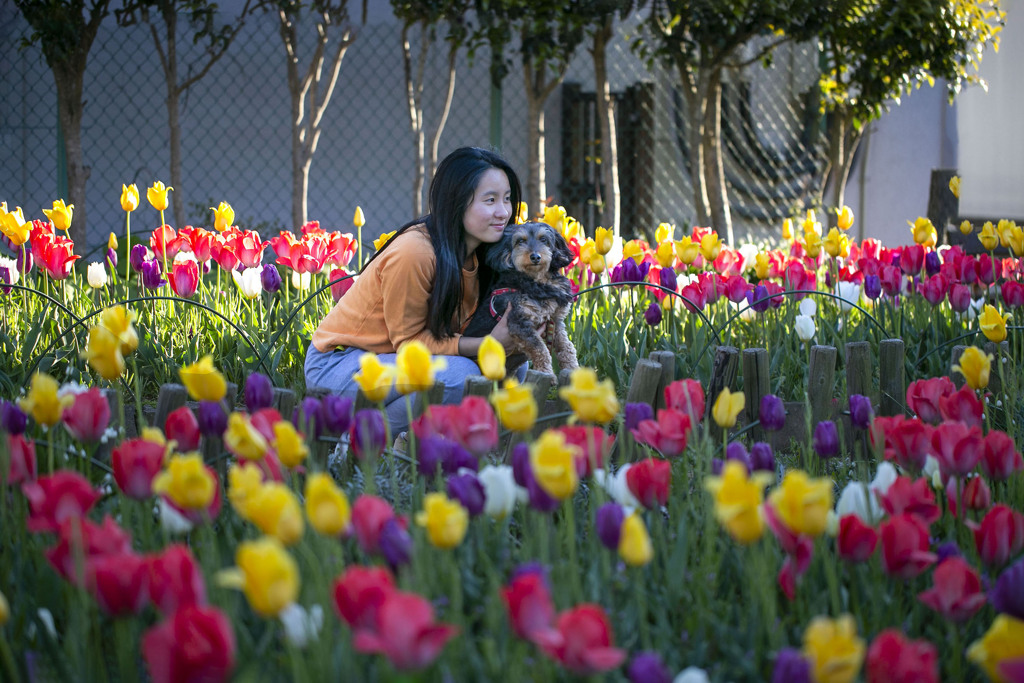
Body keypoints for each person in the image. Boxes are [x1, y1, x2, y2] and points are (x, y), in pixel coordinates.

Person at [304, 146, 528, 435]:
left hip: (395, 364)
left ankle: (433, 451)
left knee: (512, 367)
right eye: (490, 200)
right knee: (461, 376)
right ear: (457, 202)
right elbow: (408, 343)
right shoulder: (415, 252)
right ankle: (357, 446)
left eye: (507, 199)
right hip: (340, 365)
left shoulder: (483, 254)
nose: (503, 212)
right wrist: (487, 345)